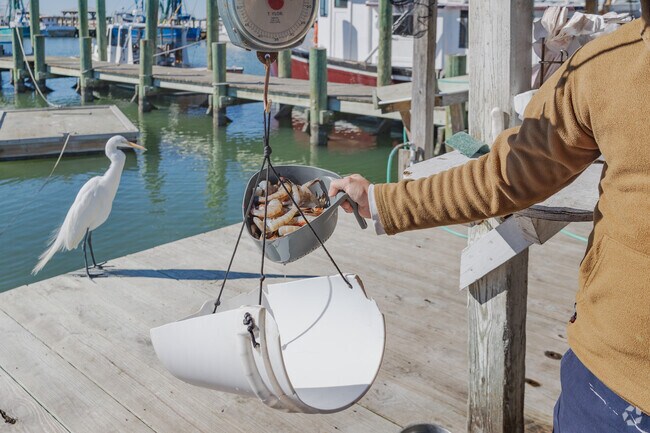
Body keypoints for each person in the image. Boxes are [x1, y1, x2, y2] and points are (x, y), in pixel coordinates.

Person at [329, 10, 650, 433]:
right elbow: (505, 173)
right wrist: (380, 201)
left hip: (616, 376)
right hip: (610, 379)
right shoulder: (606, 63)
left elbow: (505, 175)